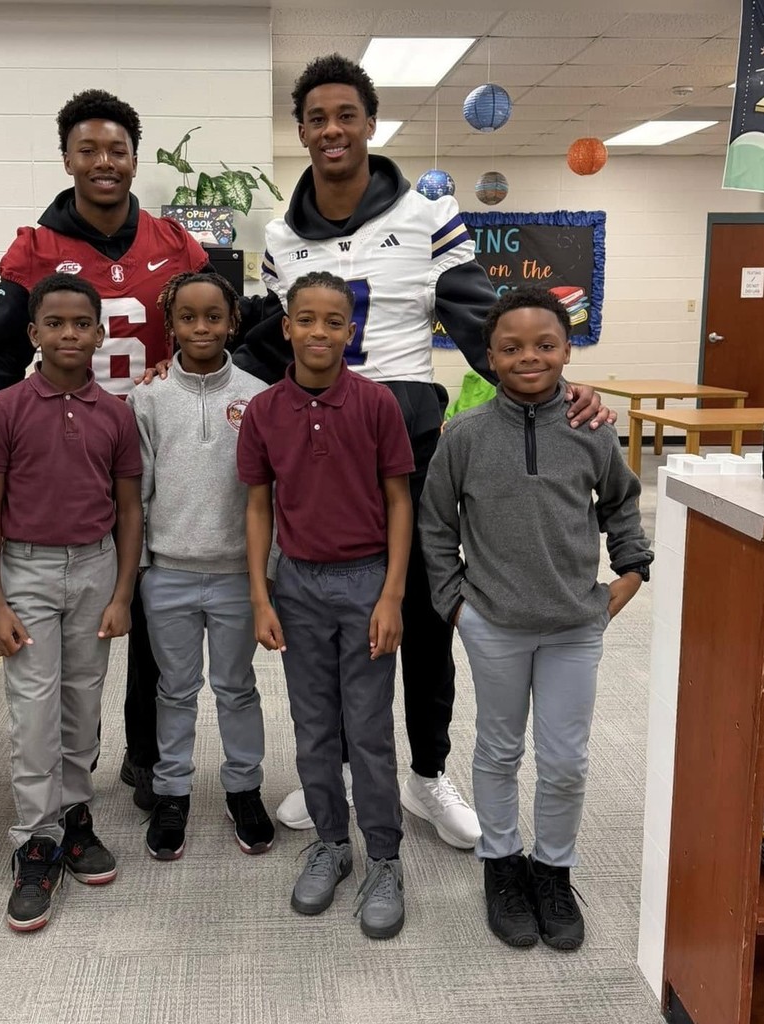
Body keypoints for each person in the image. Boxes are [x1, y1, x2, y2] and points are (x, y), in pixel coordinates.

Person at [233, 54, 612, 848]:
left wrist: (556, 390)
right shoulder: (278, 235)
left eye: (346, 115)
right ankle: (332, 770)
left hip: (406, 442)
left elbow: (482, 327)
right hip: (315, 454)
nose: (331, 130)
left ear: (369, 125)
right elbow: (276, 343)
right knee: (325, 617)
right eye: (316, 118)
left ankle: (425, 773)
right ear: (300, 131)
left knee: (421, 619)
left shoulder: (425, 217)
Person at [0, 89, 209, 815]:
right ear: (66, 159)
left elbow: (210, 326)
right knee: (80, 630)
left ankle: (151, 759)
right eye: (87, 150)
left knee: (153, 608)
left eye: (117, 150)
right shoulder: (36, 250)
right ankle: (61, 788)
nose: (104, 162)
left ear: (134, 158)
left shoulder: (175, 242)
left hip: (160, 447)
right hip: (70, 453)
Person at [419, 287, 653, 951]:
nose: (529, 356)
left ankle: (551, 870)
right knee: (497, 751)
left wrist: (631, 572)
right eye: (512, 346)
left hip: (573, 626)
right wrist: (455, 604)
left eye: (544, 344)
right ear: (488, 356)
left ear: (565, 350)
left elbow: (620, 502)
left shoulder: (589, 427)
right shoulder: (463, 435)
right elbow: (436, 525)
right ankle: (502, 866)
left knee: (565, 761)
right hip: (491, 624)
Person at [238, 271, 413, 940]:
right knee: (312, 729)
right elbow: (258, 506)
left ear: (351, 331)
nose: (318, 331)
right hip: (299, 587)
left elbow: (399, 501)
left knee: (366, 730)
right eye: (304, 318)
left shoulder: (374, 405)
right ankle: (332, 845)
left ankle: (385, 859)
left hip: (366, 581)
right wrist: (262, 594)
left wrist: (391, 593)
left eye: (332, 320)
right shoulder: (262, 412)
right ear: (285, 327)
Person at [0, 273, 143, 932]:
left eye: (81, 324)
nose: (69, 334)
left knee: (80, 707)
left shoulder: (117, 414)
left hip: (96, 569)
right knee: (34, 711)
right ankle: (35, 842)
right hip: (27, 573)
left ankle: (74, 817)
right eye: (55, 323)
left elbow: (128, 512)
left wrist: (122, 592)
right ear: (33, 333)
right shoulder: (4, 409)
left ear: (99, 334)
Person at [126, 270, 274, 861]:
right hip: (170, 574)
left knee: (237, 688)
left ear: (233, 321)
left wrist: (268, 578)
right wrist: (137, 573)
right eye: (188, 317)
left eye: (214, 316)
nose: (202, 327)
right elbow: (135, 494)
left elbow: (271, 496)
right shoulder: (148, 399)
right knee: (175, 689)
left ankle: (244, 787)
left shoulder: (260, 396)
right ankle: (172, 792)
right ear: (171, 326)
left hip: (239, 575)